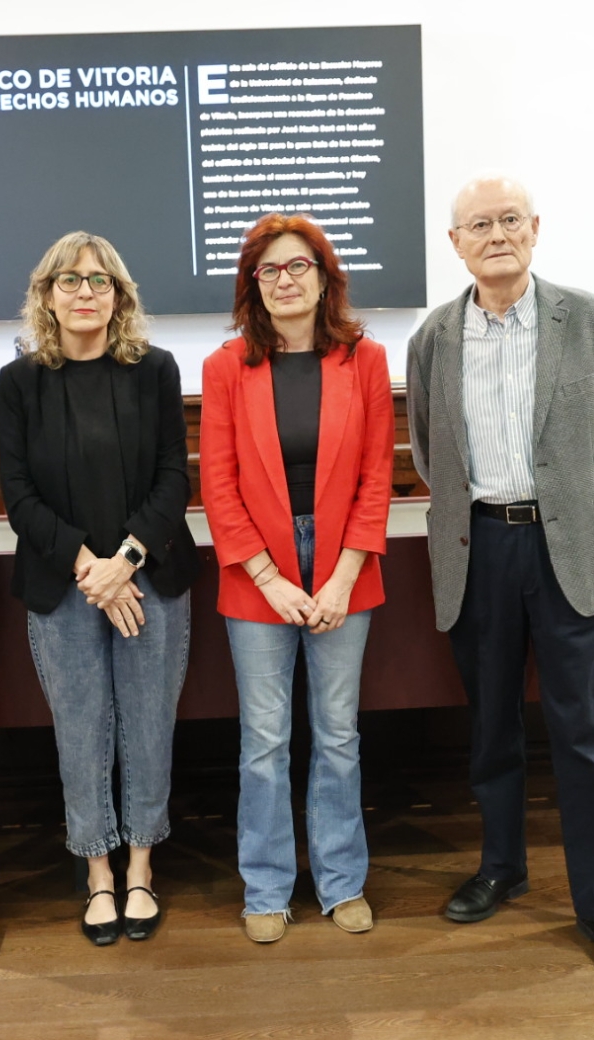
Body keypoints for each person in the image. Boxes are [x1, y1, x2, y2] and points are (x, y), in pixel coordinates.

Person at [406, 174, 594, 976]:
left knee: (587, 734)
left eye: (510, 219)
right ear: (456, 244)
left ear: (536, 228)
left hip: (568, 550)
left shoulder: (589, 319)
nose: (497, 234)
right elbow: (427, 452)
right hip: (479, 548)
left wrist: (571, 506)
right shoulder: (435, 337)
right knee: (492, 730)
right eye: (479, 224)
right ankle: (502, 868)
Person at [0, 232, 198, 946]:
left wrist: (127, 560)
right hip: (63, 588)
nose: (86, 293)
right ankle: (98, 874)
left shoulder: (155, 370)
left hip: (153, 580)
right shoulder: (20, 382)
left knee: (147, 726)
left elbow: (175, 476)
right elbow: (17, 494)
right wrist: (92, 568)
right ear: (47, 295)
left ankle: (140, 866)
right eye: (70, 281)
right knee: (82, 734)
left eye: (100, 281)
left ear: (121, 295)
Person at [200, 214, 394, 944]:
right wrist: (268, 578)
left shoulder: (364, 360)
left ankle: (342, 882)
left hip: (346, 564)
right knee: (265, 739)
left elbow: (378, 477)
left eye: (298, 267)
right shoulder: (226, 367)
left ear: (323, 277)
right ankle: (267, 885)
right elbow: (218, 486)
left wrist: (342, 577)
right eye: (269, 270)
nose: (285, 281)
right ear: (254, 284)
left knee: (338, 735)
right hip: (258, 571)